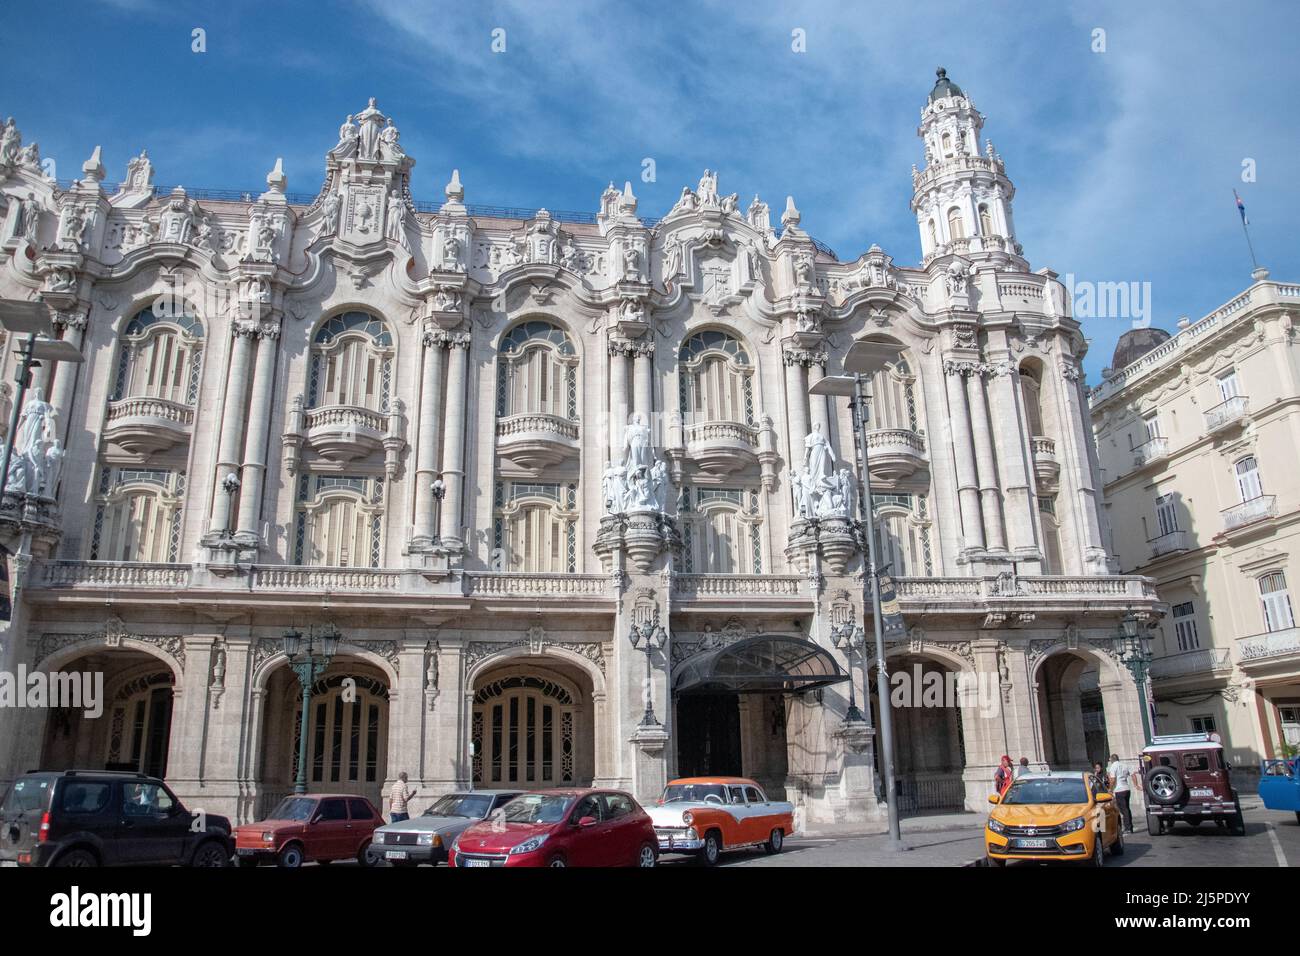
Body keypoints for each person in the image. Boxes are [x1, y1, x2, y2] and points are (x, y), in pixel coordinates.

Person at [1107, 752, 1136, 833]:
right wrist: (1136, 785)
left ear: (1112, 760)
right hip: (1127, 788)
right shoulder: (1124, 765)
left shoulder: (1113, 766)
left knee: (1123, 809)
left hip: (1119, 790)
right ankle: (1130, 826)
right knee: (1127, 808)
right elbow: (1133, 774)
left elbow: (1113, 780)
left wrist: (1110, 789)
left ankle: (1128, 828)